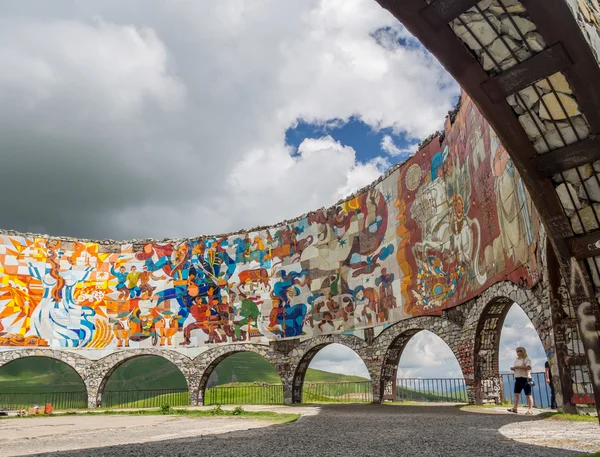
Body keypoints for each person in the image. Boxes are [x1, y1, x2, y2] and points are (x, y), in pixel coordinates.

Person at [507, 346, 534, 415]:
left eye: (520, 351)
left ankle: (530, 409)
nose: (518, 353)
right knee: (516, 393)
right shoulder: (516, 360)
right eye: (517, 351)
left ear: (523, 352)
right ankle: (515, 408)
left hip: (525, 378)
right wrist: (514, 369)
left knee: (528, 394)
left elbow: (529, 367)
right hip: (518, 377)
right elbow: (517, 369)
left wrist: (519, 367)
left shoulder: (526, 359)